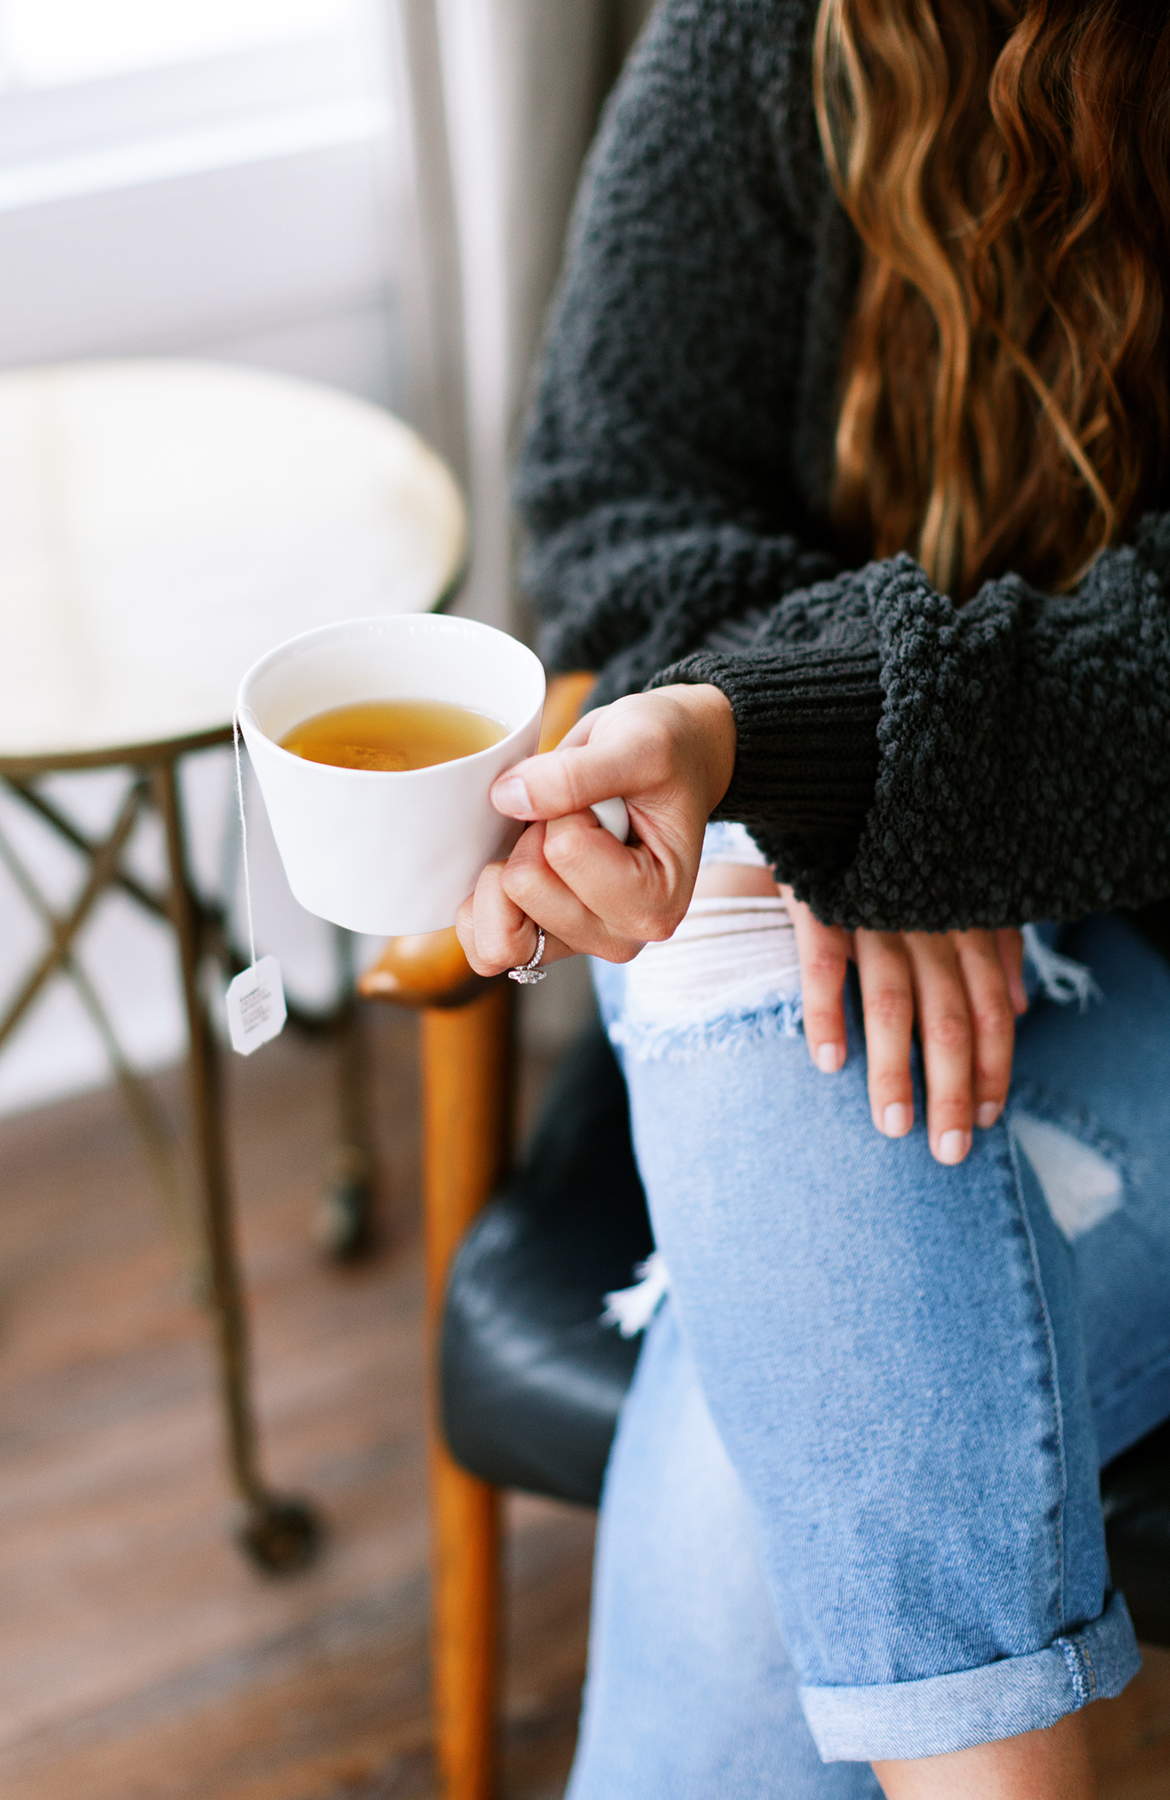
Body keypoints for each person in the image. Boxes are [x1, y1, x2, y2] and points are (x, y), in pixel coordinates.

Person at [453, 0, 1170, 1794]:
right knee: (735, 913)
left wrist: (873, 761)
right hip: (812, 884)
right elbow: (612, 501)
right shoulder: (775, 35)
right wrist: (832, 777)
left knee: (746, 1464)